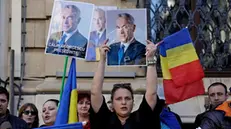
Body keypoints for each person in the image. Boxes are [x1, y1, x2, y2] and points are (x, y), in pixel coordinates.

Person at [90, 39, 162, 129]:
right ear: (112, 102)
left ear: (133, 101)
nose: (123, 102)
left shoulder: (141, 118)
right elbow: (95, 92)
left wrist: (151, 59)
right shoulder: (104, 119)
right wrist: (102, 60)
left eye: (127, 98)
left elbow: (151, 93)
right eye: (119, 99)